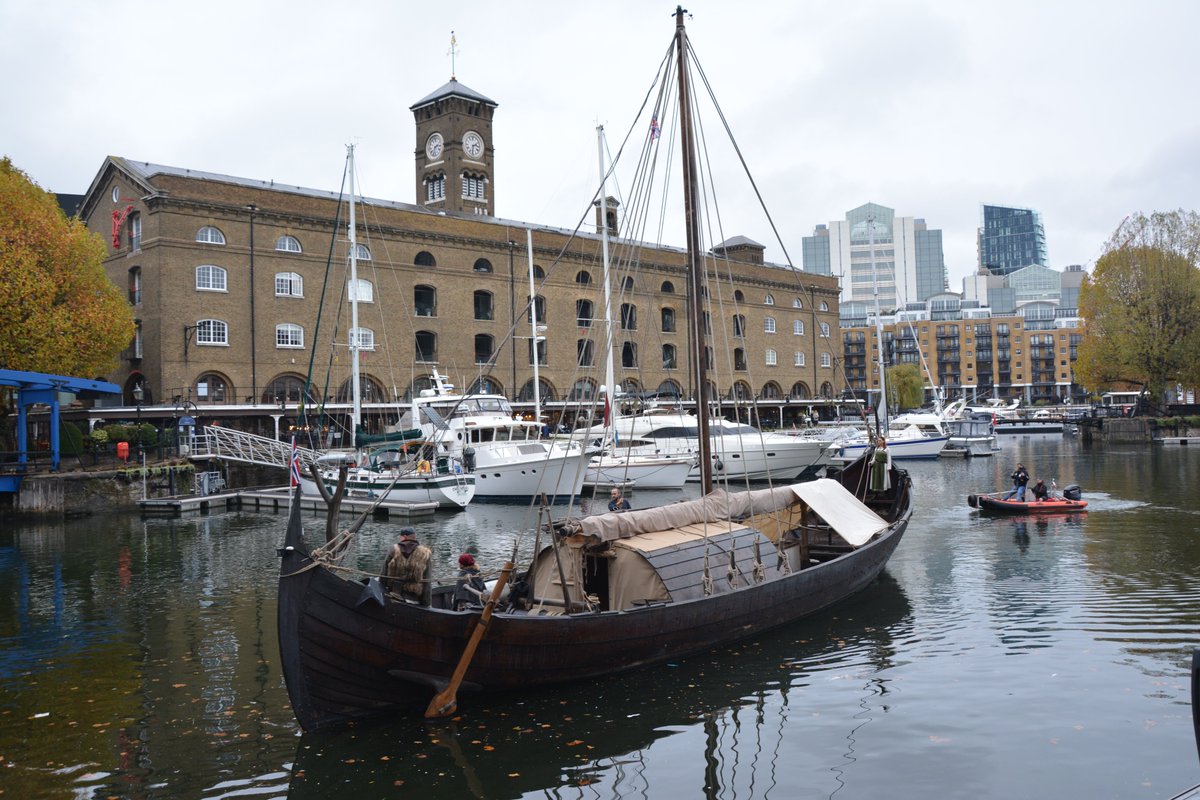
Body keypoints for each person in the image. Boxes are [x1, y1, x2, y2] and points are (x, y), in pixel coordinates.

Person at [383, 527, 432, 605]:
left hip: (394, 595)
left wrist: (382, 592)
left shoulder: (393, 550)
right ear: (414, 537)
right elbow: (427, 582)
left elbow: (383, 575)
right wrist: (426, 603)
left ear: (404, 537)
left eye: (400, 537)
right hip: (414, 598)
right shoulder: (424, 554)